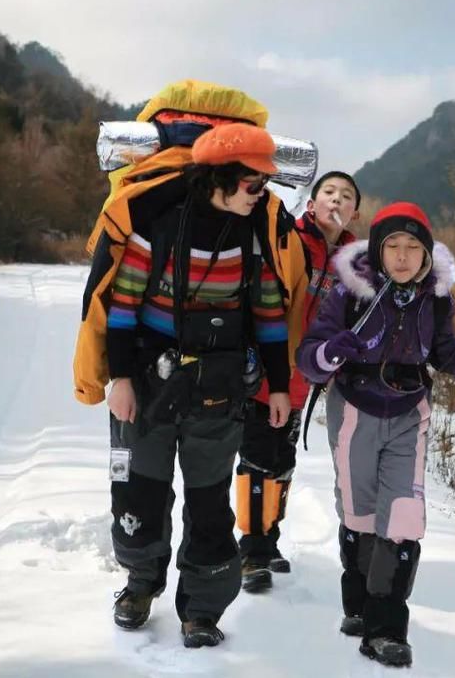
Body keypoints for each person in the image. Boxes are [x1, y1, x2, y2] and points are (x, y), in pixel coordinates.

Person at [295, 202, 455, 667]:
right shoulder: (348, 294)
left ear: (426, 254)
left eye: (413, 247)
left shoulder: (435, 299)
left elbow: (448, 352)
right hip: (355, 409)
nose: (403, 257)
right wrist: (331, 352)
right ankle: (358, 601)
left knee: (402, 516)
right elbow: (308, 357)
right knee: (359, 512)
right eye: (393, 247)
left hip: (409, 411)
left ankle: (385, 626)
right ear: (378, 252)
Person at [103, 122, 293, 648]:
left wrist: (279, 386)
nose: (262, 195)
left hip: (219, 388)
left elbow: (270, 316)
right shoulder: (159, 228)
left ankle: (203, 609)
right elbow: (122, 310)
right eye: (254, 184)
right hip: (149, 387)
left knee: (209, 502)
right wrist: (119, 378)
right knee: (141, 490)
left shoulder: (254, 237)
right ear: (221, 179)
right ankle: (140, 585)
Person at [236, 171, 362, 593]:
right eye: (328, 192)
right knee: (256, 456)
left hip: (305, 377)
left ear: (354, 213)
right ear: (311, 204)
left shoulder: (355, 262)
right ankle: (250, 550)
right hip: (267, 368)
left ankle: (268, 539)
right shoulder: (289, 238)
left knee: (282, 459)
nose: (336, 200)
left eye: (346, 197)